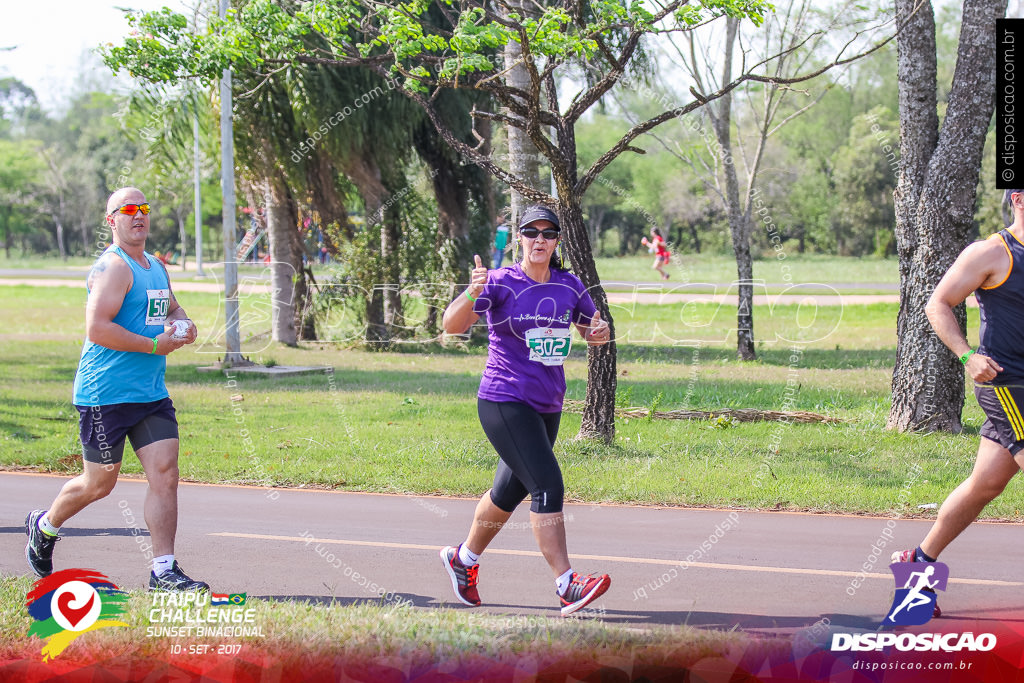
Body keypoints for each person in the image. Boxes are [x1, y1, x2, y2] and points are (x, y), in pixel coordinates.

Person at [25, 187, 209, 592]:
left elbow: (171, 306)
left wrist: (184, 323)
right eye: (128, 210)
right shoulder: (113, 267)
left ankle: (163, 570)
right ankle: (45, 525)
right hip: (104, 394)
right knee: (99, 484)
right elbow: (98, 328)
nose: (138, 215)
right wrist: (153, 345)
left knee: (165, 473)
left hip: (150, 393)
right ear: (112, 221)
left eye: (143, 209)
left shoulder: (155, 267)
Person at [439, 205, 613, 616]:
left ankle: (462, 560)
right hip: (503, 399)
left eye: (548, 233)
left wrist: (598, 334)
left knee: (508, 492)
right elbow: (451, 325)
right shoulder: (499, 282)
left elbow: (591, 331)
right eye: (530, 232)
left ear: (556, 241)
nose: (539, 240)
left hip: (548, 404)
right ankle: (567, 584)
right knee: (547, 485)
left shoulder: (570, 285)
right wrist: (472, 291)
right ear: (519, 237)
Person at [891, 188, 1024, 618]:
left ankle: (918, 565)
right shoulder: (991, 253)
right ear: (1018, 198)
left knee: (986, 484)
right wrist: (968, 356)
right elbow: (938, 303)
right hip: (1007, 384)